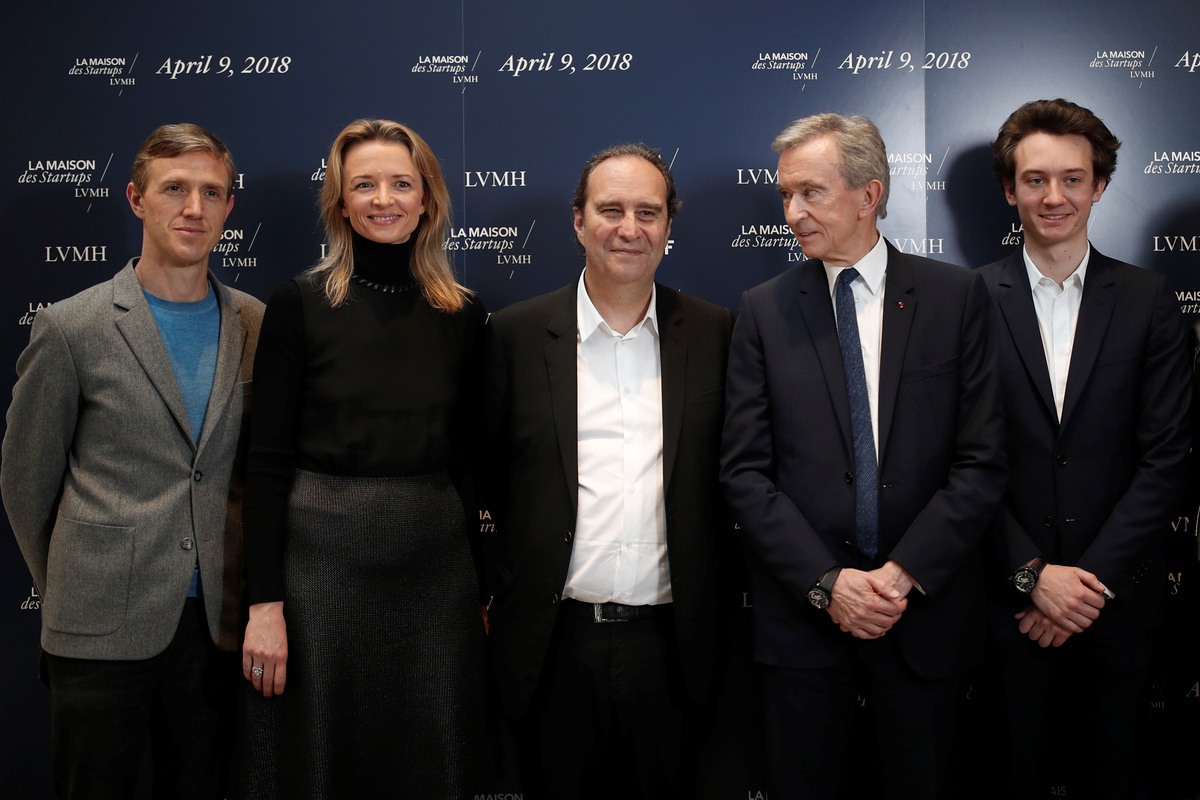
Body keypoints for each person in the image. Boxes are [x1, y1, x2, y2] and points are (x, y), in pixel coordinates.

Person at [720, 113, 1006, 800]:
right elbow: (745, 473)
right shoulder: (762, 310)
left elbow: (982, 461)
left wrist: (900, 578)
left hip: (923, 623)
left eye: (810, 192)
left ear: (868, 195)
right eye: (786, 194)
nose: (792, 212)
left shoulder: (956, 297)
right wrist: (829, 583)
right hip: (804, 629)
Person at [1, 123, 262, 799]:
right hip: (96, 629)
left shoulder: (256, 323)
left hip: (217, 630)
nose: (194, 208)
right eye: (174, 189)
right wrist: (78, 580)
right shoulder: (71, 327)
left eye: (212, 192)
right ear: (136, 198)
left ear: (229, 207)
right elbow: (26, 483)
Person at [238, 119, 486, 799]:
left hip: (434, 572)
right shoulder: (298, 304)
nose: (384, 199)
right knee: (320, 762)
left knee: (431, 764)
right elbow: (266, 466)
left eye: (401, 183)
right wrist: (265, 605)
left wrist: (481, 589)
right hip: (320, 574)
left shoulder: (464, 316)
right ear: (340, 203)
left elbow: (470, 466)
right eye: (364, 185)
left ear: (427, 199)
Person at [483, 143, 733, 799]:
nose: (630, 228)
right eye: (610, 210)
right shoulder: (512, 335)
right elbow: (481, 479)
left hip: (675, 651)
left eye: (648, 212)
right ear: (578, 220)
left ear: (669, 225)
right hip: (552, 650)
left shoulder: (714, 332)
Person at [978, 98, 1191, 800]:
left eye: (1072, 179)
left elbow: (1166, 458)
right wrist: (1031, 576)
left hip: (1116, 608)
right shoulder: (968, 301)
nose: (1054, 196)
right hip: (1006, 609)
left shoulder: (1149, 298)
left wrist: (1083, 585)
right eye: (1035, 179)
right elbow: (958, 463)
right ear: (1009, 189)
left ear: (1099, 186)